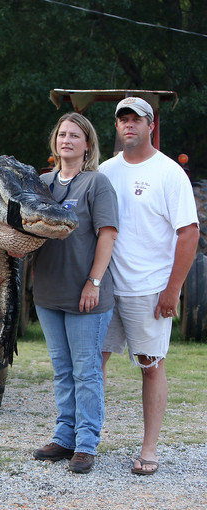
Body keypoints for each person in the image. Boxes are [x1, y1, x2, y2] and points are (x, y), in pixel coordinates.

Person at [101, 97, 199, 476]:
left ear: (150, 125)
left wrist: (173, 289)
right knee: (94, 363)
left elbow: (188, 234)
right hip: (107, 286)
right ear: (117, 127)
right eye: (123, 119)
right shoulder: (106, 171)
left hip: (149, 288)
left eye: (136, 120)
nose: (129, 125)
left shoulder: (170, 173)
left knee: (151, 366)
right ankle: (85, 440)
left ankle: (149, 448)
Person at [31, 113, 119, 474]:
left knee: (86, 371)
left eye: (75, 135)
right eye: (62, 134)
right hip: (48, 293)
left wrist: (93, 282)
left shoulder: (97, 184)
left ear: (87, 144)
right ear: (55, 142)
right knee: (63, 370)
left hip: (86, 296)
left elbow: (108, 235)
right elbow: (30, 230)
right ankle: (64, 437)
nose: (66, 140)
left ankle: (86, 444)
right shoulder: (40, 182)